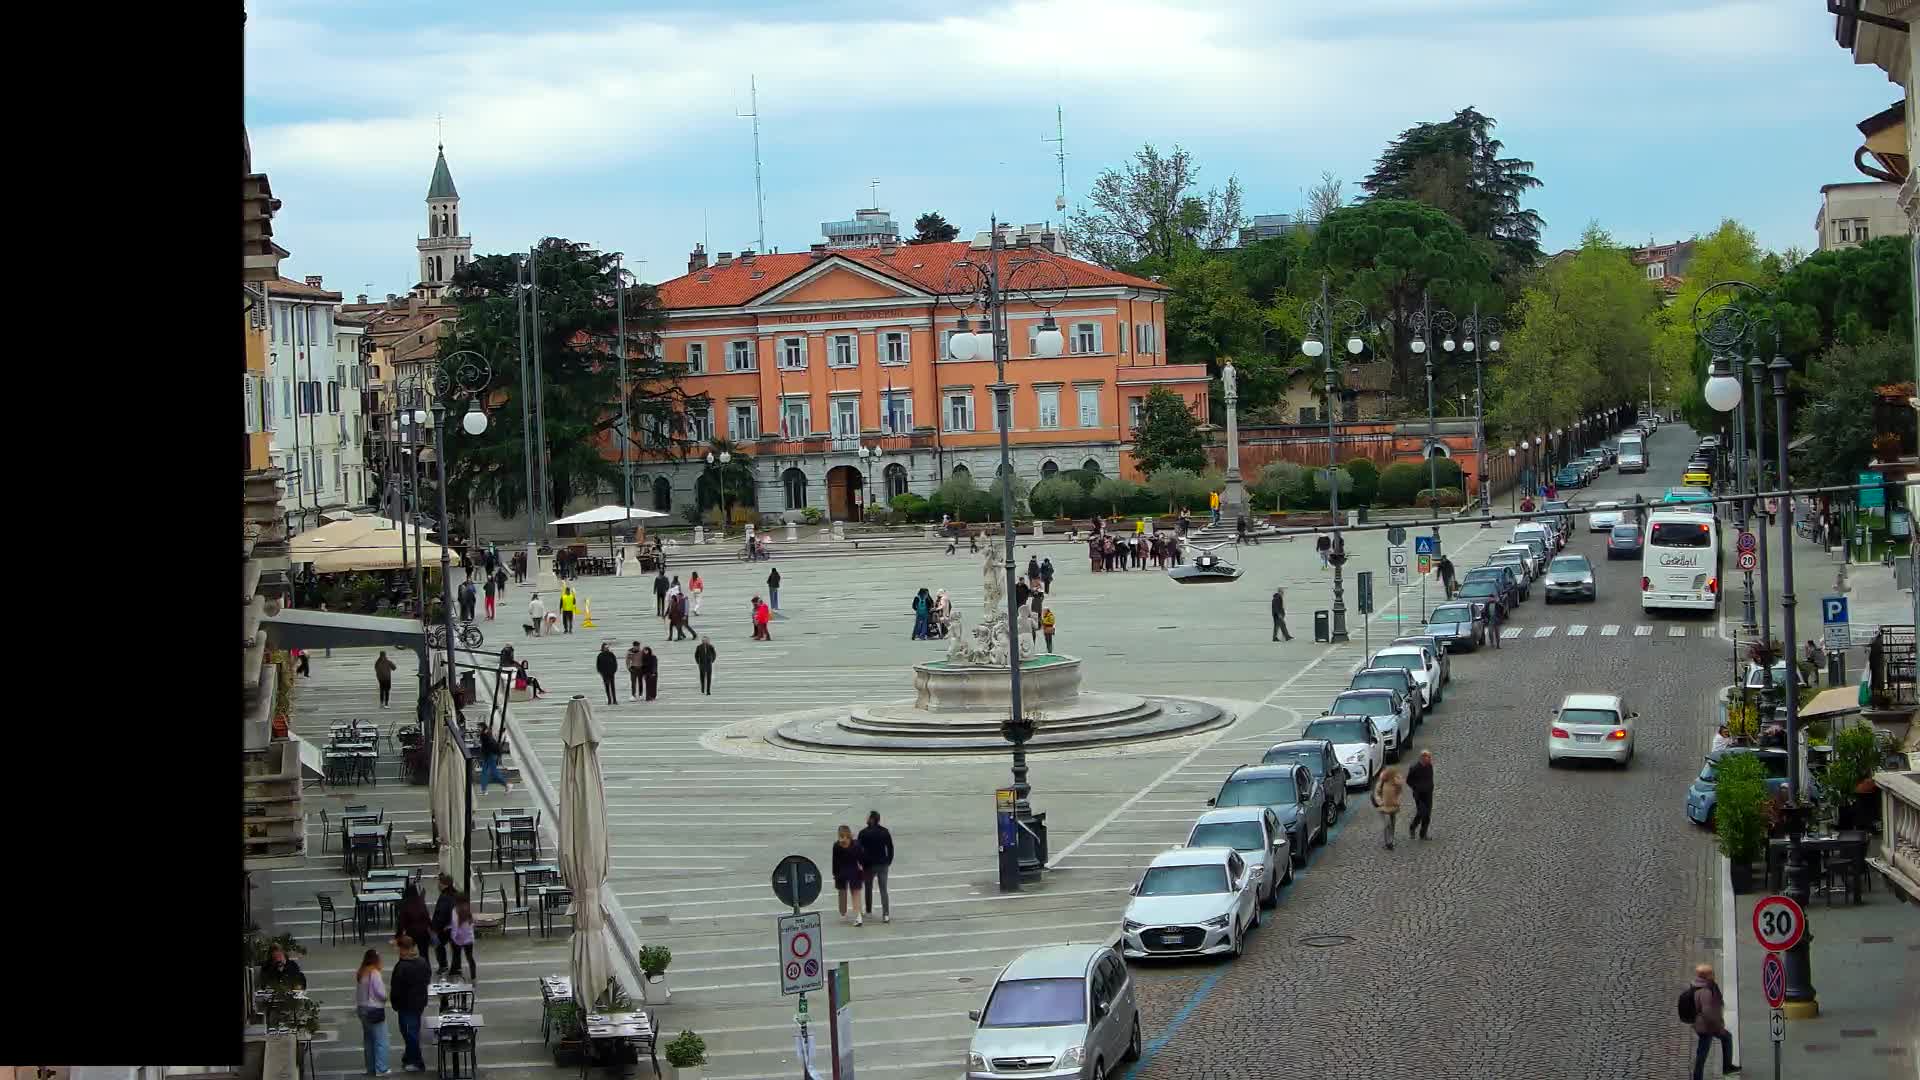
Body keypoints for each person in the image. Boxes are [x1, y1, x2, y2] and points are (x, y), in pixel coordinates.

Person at [1685, 962, 1740, 1080]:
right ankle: (1701, 1076)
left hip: (1703, 1024)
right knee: (1703, 1052)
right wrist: (1718, 1026)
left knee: (1722, 1040)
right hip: (1707, 1026)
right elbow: (1708, 1013)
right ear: (1707, 976)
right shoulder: (1705, 991)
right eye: (1711, 973)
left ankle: (1726, 1067)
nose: (1713, 975)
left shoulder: (1701, 985)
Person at [389, 934, 431, 1073]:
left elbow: (396, 988)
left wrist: (395, 1003)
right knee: (413, 1030)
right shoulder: (422, 962)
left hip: (406, 1005)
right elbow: (427, 978)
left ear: (402, 948)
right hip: (419, 1002)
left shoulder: (401, 967)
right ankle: (409, 1056)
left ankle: (417, 1061)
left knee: (409, 1032)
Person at [356, 948, 390, 1076]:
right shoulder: (374, 973)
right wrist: (385, 998)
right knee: (381, 1040)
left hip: (362, 1009)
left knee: (368, 1040)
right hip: (374, 1009)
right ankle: (381, 1068)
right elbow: (380, 993)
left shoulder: (361, 972)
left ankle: (370, 1068)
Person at [857, 810, 895, 923]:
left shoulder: (863, 833)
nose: (866, 819)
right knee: (883, 889)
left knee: (868, 888)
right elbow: (890, 848)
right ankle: (886, 914)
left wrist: (861, 863)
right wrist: (889, 861)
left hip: (868, 865)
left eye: (868, 817)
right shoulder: (885, 832)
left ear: (872, 819)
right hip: (883, 864)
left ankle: (868, 911)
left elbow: (858, 850)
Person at [831, 824, 865, 926]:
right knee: (856, 894)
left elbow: (835, 861)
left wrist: (835, 873)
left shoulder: (837, 845)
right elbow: (862, 858)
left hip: (842, 871)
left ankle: (843, 911)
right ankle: (858, 916)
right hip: (854, 871)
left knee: (842, 891)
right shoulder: (856, 844)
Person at [395, 884, 434, 965]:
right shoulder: (421, 902)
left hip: (411, 933)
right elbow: (427, 917)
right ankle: (426, 970)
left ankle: (406, 968)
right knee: (424, 954)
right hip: (423, 933)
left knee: (406, 952)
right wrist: (432, 928)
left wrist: (398, 935)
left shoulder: (405, 904)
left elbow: (401, 922)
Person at [430, 874, 458, 977]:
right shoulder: (456, 893)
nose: (438, 885)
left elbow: (441, 914)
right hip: (457, 927)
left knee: (438, 944)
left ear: (444, 885)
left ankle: (443, 965)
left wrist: (434, 929)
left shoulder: (444, 897)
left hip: (447, 928)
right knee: (455, 949)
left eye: (439, 883)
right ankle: (455, 968)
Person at [1372, 765, 1404, 851]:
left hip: (1393, 806)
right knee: (1387, 824)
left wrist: (1398, 801)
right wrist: (1380, 802)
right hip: (1384, 807)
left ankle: (1391, 840)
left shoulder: (1395, 782)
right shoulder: (1381, 782)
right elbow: (1377, 793)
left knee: (1392, 824)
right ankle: (1388, 842)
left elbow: (1400, 792)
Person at [1405, 750, 1435, 839]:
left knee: (1427, 815)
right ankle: (1412, 827)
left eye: (1430, 757)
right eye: (1428, 757)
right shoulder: (1415, 768)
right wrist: (1416, 788)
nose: (1430, 759)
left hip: (1428, 794)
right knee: (1422, 812)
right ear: (1423, 758)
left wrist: (1431, 786)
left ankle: (1423, 834)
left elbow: (1430, 778)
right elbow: (1408, 781)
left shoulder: (1429, 766)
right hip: (1419, 795)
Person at [446, 893, 476, 981]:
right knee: (470, 957)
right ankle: (473, 976)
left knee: (456, 956)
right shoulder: (467, 910)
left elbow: (455, 926)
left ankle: (453, 973)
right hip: (468, 939)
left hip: (458, 939)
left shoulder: (455, 910)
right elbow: (470, 925)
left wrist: (453, 937)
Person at [477, 725, 510, 793]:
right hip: (488, 755)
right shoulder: (487, 735)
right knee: (485, 772)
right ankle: (484, 789)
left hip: (491, 755)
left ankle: (506, 785)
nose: (478, 729)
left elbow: (489, 746)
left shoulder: (486, 735)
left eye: (479, 728)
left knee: (493, 773)